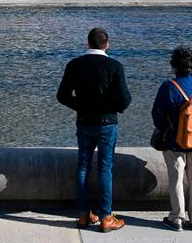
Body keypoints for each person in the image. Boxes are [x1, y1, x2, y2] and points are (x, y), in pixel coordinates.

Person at [57, 28, 132, 233]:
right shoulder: (115, 66)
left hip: (83, 121)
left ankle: (83, 215)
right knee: (105, 168)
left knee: (83, 167)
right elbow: (126, 99)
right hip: (107, 123)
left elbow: (62, 96)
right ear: (107, 44)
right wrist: (112, 107)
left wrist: (81, 106)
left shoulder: (74, 65)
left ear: (88, 43)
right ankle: (106, 217)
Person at [151, 46, 192, 232]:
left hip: (174, 143)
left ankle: (177, 217)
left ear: (174, 65)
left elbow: (157, 116)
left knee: (176, 180)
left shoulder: (169, 87)